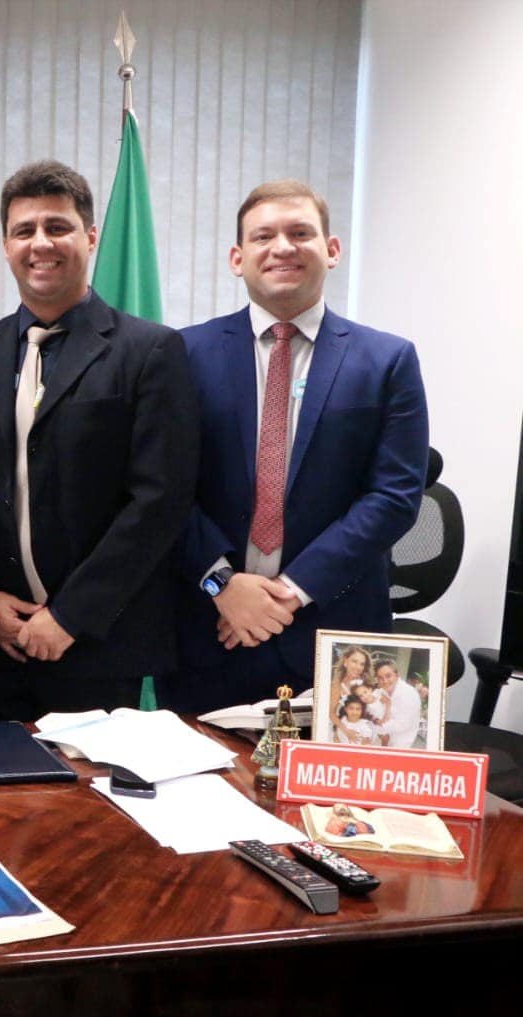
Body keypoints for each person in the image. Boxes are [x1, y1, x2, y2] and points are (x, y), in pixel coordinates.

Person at [166, 180, 428, 713]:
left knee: (328, 773)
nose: (282, 247)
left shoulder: (388, 361)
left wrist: (291, 590)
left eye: (300, 233)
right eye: (263, 236)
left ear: (331, 250)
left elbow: (395, 496)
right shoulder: (182, 353)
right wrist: (222, 585)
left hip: (338, 640)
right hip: (211, 631)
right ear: (237, 258)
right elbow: (162, 489)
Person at [0, 160, 198, 720]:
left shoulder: (150, 351)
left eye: (57, 227)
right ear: (6, 246)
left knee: (91, 783)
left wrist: (70, 616)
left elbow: (160, 501)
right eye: (24, 230)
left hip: (99, 645)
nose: (40, 243)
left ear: (90, 237)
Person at [374, 658, 423, 748]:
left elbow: (401, 725)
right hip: (381, 741)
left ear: (397, 675)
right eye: (380, 678)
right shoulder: (380, 692)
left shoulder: (409, 693)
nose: (385, 681)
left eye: (388, 676)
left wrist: (373, 727)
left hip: (399, 744)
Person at [326, 644, 373, 735]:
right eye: (354, 661)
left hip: (367, 728)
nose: (358, 667)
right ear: (345, 661)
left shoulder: (367, 684)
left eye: (362, 664)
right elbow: (331, 713)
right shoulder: (337, 686)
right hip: (344, 729)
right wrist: (346, 731)